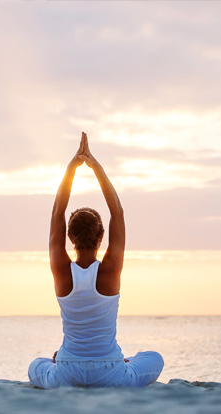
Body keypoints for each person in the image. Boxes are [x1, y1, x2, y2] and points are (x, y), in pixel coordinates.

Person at [28, 132, 164, 389]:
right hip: (110, 372)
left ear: (69, 237)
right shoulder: (111, 270)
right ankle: (124, 361)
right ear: (102, 236)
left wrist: (72, 168)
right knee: (154, 358)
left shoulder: (61, 271)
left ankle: (64, 361)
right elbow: (117, 211)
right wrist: (95, 167)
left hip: (67, 371)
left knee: (35, 366)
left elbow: (57, 210)